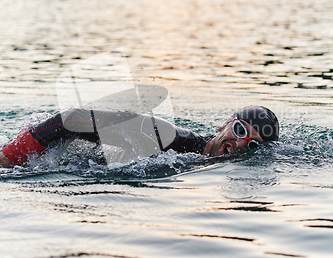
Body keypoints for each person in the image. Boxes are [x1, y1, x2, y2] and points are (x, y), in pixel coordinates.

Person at [0, 105, 279, 168]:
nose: (240, 144)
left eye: (252, 144)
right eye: (240, 131)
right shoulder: (168, 136)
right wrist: (9, 158)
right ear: (223, 126)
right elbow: (73, 118)